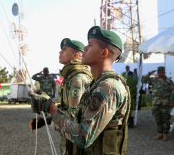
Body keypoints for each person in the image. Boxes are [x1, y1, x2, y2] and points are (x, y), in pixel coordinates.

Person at [29, 26, 130, 154]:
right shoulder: (96, 84)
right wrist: (48, 118)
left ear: (103, 53)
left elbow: (83, 136)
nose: (85, 49)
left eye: (90, 45)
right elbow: (77, 118)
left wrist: (50, 108)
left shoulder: (108, 87)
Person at [30, 38, 92, 155]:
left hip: (76, 146)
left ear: (75, 55)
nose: (60, 52)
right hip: (69, 142)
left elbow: (73, 121)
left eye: (64, 49)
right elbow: (67, 110)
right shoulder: (71, 76)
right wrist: (46, 120)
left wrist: (49, 108)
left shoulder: (78, 78)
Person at [142, 66, 174, 141]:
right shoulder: (154, 79)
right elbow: (143, 80)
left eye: (161, 72)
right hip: (155, 103)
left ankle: (166, 134)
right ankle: (160, 134)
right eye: (158, 72)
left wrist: (172, 101)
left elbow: (173, 91)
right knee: (158, 119)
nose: (159, 73)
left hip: (165, 103)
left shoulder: (168, 81)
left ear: (164, 72)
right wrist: (149, 73)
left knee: (165, 119)